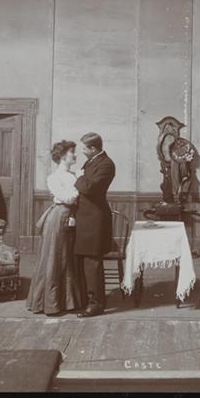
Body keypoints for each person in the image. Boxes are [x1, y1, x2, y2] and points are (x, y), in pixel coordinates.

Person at [26, 140, 82, 316]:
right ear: (63, 156)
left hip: (71, 217)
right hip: (57, 219)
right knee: (54, 257)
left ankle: (68, 302)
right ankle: (51, 303)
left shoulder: (73, 175)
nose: (75, 155)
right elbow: (67, 198)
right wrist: (79, 184)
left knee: (67, 258)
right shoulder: (54, 177)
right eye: (72, 152)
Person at [74, 132, 116, 317]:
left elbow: (90, 188)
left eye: (84, 148)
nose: (82, 151)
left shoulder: (106, 164)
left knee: (92, 263)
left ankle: (96, 304)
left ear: (93, 148)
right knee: (83, 262)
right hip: (84, 218)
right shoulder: (92, 161)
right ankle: (86, 300)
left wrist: (79, 177)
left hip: (95, 220)